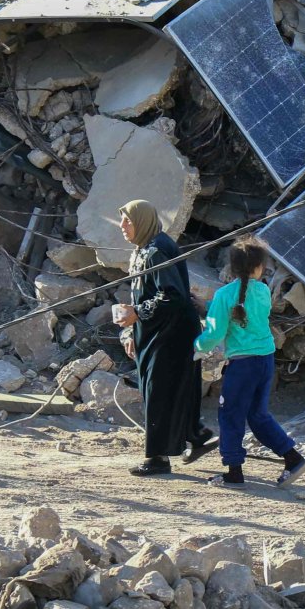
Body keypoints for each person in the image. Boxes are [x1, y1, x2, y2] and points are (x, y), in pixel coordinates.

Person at [194, 236, 305, 488]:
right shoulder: (263, 291)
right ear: (259, 267)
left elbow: (214, 334)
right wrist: (211, 307)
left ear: (232, 267)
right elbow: (244, 310)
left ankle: (234, 472)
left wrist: (196, 347)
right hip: (265, 361)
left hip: (241, 366)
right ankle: (293, 458)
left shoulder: (225, 295)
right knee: (258, 415)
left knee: (230, 416)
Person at [112, 199, 212, 476]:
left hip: (171, 334)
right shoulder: (146, 248)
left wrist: (137, 314)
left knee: (158, 393)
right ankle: (197, 436)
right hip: (157, 331)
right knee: (169, 390)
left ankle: (157, 458)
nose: (122, 226)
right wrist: (133, 328)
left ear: (142, 221)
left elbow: (173, 295)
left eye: (128, 221)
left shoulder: (157, 251)